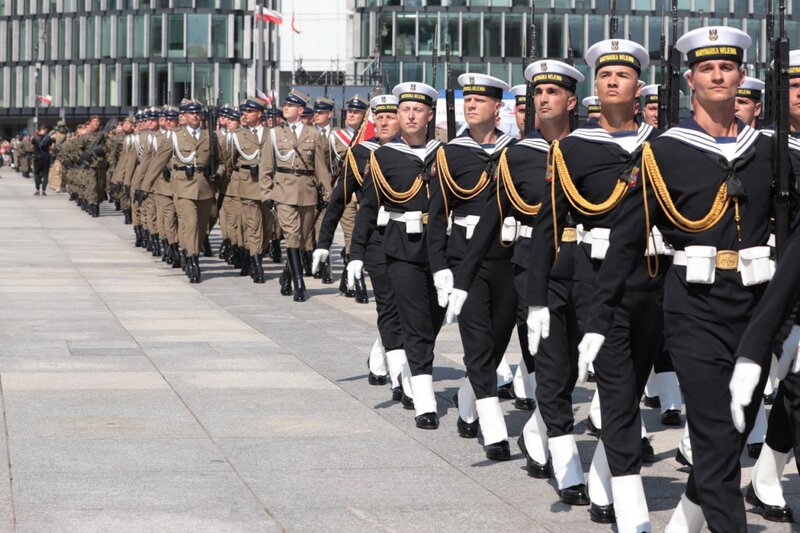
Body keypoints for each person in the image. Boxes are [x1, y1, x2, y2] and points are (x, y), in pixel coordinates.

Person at [576, 26, 782, 532]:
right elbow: (627, 239)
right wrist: (599, 321)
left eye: (727, 67)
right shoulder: (664, 153)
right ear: (690, 80)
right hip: (693, 309)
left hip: (755, 312)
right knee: (714, 431)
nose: (717, 75)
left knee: (732, 436)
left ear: (741, 78)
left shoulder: (771, 152)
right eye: (707, 68)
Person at [525, 38, 662, 531]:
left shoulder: (659, 144)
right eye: (604, 75)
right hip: (595, 281)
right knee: (617, 387)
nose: (611, 81)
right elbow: (547, 226)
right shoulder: (573, 148)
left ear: (638, 87)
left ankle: (604, 480)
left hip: (651, 279)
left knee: (628, 392)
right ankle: (630, 508)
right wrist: (537, 299)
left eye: (622, 75)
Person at [425, 72, 517, 459]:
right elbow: (436, 215)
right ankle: (493, 426)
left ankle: (469, 394)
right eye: (468, 100)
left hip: (508, 255)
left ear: (498, 108)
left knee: (497, 340)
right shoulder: (451, 154)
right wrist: (440, 265)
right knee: (477, 341)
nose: (472, 105)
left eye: (481, 100)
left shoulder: (516, 151)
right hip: (466, 259)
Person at [347, 81, 444, 429]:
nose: (411, 115)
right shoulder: (384, 156)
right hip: (400, 248)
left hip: (437, 249)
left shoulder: (442, 154)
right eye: (405, 110)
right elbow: (369, 207)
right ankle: (424, 399)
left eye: (418, 110)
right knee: (414, 323)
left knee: (432, 320)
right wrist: (356, 252)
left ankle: (411, 375)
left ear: (429, 115)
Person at [313, 94, 404, 391]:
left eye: (391, 117)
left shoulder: (417, 152)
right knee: (389, 304)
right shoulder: (362, 153)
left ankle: (380, 351)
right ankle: (400, 374)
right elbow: (338, 200)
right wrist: (324, 243)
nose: (385, 122)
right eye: (380, 117)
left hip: (410, 238)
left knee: (409, 307)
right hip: (376, 239)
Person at [260, 89, 332, 301]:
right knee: (292, 234)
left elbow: (320, 167)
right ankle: (300, 284)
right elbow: (266, 167)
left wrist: (328, 193)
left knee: (301, 239)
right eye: (285, 105)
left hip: (307, 191)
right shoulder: (274, 134)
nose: (286, 108)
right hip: (283, 190)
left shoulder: (313, 134)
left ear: (300, 110)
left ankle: (287, 274)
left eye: (290, 106)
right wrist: (266, 193)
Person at [171, 100, 217, 283]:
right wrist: (142, 184)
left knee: (200, 226)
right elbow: (159, 160)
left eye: (198, 113)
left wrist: (218, 174)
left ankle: (188, 250)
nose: (195, 116)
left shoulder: (210, 135)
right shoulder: (175, 136)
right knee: (190, 223)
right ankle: (194, 260)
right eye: (192, 113)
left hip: (204, 187)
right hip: (183, 185)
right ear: (185, 116)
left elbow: (220, 161)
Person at [31, 124, 54, 196]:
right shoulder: (48, 138)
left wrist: (36, 151)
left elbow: (32, 148)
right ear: (45, 129)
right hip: (46, 157)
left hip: (37, 157)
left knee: (36, 173)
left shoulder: (34, 138)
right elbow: (51, 148)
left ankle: (37, 189)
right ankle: (44, 190)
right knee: (45, 174)